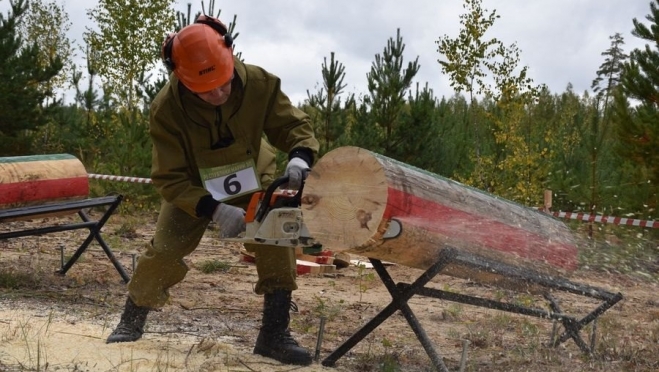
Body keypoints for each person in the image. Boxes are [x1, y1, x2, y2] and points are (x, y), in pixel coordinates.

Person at [105, 14, 319, 367]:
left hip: (253, 173)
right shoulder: (166, 109)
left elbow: (293, 125)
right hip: (193, 186)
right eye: (206, 91)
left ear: (230, 56)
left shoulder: (260, 83)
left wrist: (299, 158)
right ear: (181, 78)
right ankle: (131, 321)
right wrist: (214, 210)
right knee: (164, 251)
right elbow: (169, 178)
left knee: (278, 234)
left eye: (224, 84)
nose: (218, 94)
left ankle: (274, 334)